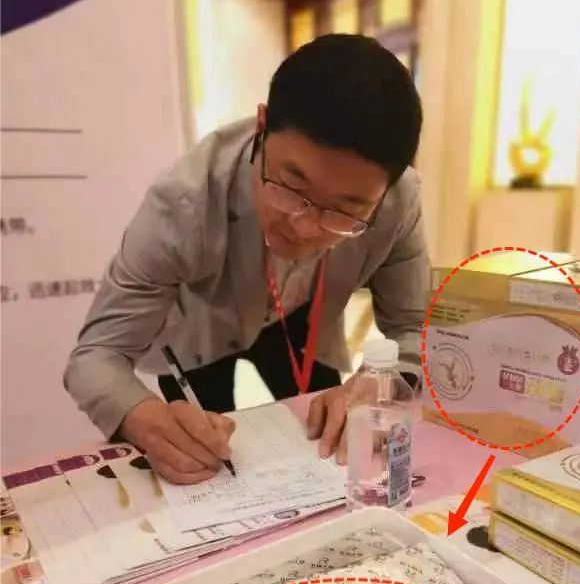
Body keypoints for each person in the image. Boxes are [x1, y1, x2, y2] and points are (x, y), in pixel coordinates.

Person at [64, 34, 429, 485]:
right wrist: (141, 417)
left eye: (345, 210)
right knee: (201, 452)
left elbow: (417, 329)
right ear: (261, 126)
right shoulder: (184, 203)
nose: (305, 227)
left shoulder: (399, 203)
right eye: (291, 187)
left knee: (331, 439)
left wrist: (388, 381)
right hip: (204, 327)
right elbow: (96, 355)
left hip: (305, 321)